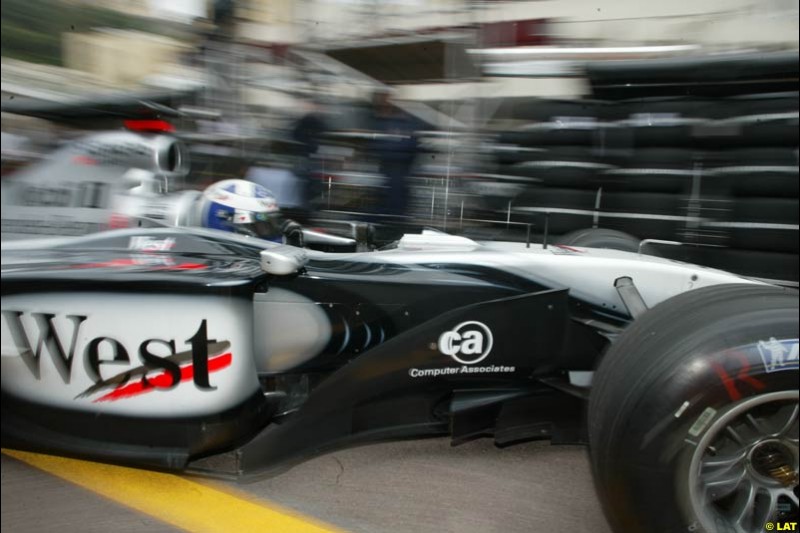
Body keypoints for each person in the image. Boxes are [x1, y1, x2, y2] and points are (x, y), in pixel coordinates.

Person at [369, 90, 419, 219]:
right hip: (387, 167)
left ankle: (391, 218)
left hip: (397, 167)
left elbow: (410, 143)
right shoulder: (377, 121)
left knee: (395, 198)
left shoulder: (401, 121)